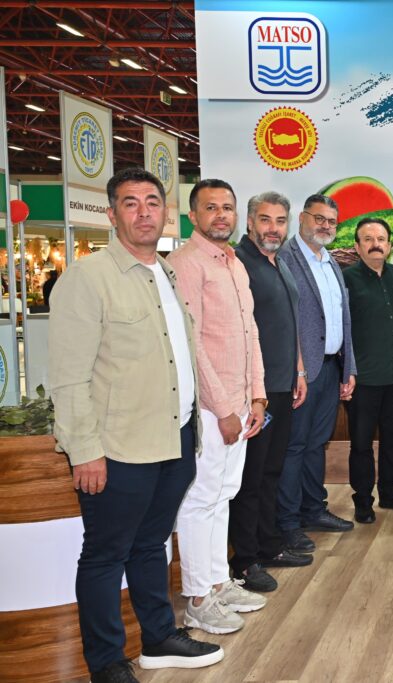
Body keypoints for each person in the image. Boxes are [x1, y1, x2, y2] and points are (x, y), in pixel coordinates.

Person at [50, 167, 222, 682]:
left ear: (165, 213)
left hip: (174, 438)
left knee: (151, 545)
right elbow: (69, 377)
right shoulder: (87, 278)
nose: (144, 212)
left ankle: (158, 638)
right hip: (119, 448)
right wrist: (84, 450)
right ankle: (106, 663)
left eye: (152, 202)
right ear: (111, 214)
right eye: (131, 203)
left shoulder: (165, 272)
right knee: (106, 555)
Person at [169, 179, 268, 633]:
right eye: (211, 208)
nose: (221, 215)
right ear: (193, 216)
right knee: (200, 498)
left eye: (227, 207)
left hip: (241, 403)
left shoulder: (234, 263)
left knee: (224, 494)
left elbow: (250, 334)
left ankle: (218, 581)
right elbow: (192, 345)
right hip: (212, 409)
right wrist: (224, 408)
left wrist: (257, 395)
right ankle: (197, 597)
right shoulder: (186, 264)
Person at [229, 191, 312, 594]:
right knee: (250, 478)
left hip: (282, 385)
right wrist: (255, 393)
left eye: (280, 221)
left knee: (271, 471)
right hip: (255, 392)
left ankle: (269, 545)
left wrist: (299, 369)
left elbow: (290, 322)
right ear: (249, 222)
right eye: (265, 219)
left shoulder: (278, 263)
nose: (273, 228)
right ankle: (245, 561)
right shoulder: (239, 263)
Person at [277, 194, 358, 549]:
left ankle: (313, 509)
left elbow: (342, 318)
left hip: (330, 368)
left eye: (331, 221)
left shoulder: (330, 262)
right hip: (300, 373)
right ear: (302, 218)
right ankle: (288, 522)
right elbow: (283, 321)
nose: (325, 226)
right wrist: (296, 371)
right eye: (319, 218)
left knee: (316, 444)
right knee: (294, 446)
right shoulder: (285, 258)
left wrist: (348, 367)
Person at [342, 217, 393, 524]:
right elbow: (341, 329)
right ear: (357, 246)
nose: (375, 244)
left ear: (389, 245)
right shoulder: (346, 279)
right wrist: (346, 371)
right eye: (368, 239)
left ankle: (390, 492)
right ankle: (363, 499)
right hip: (363, 379)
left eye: (381, 239)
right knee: (361, 442)